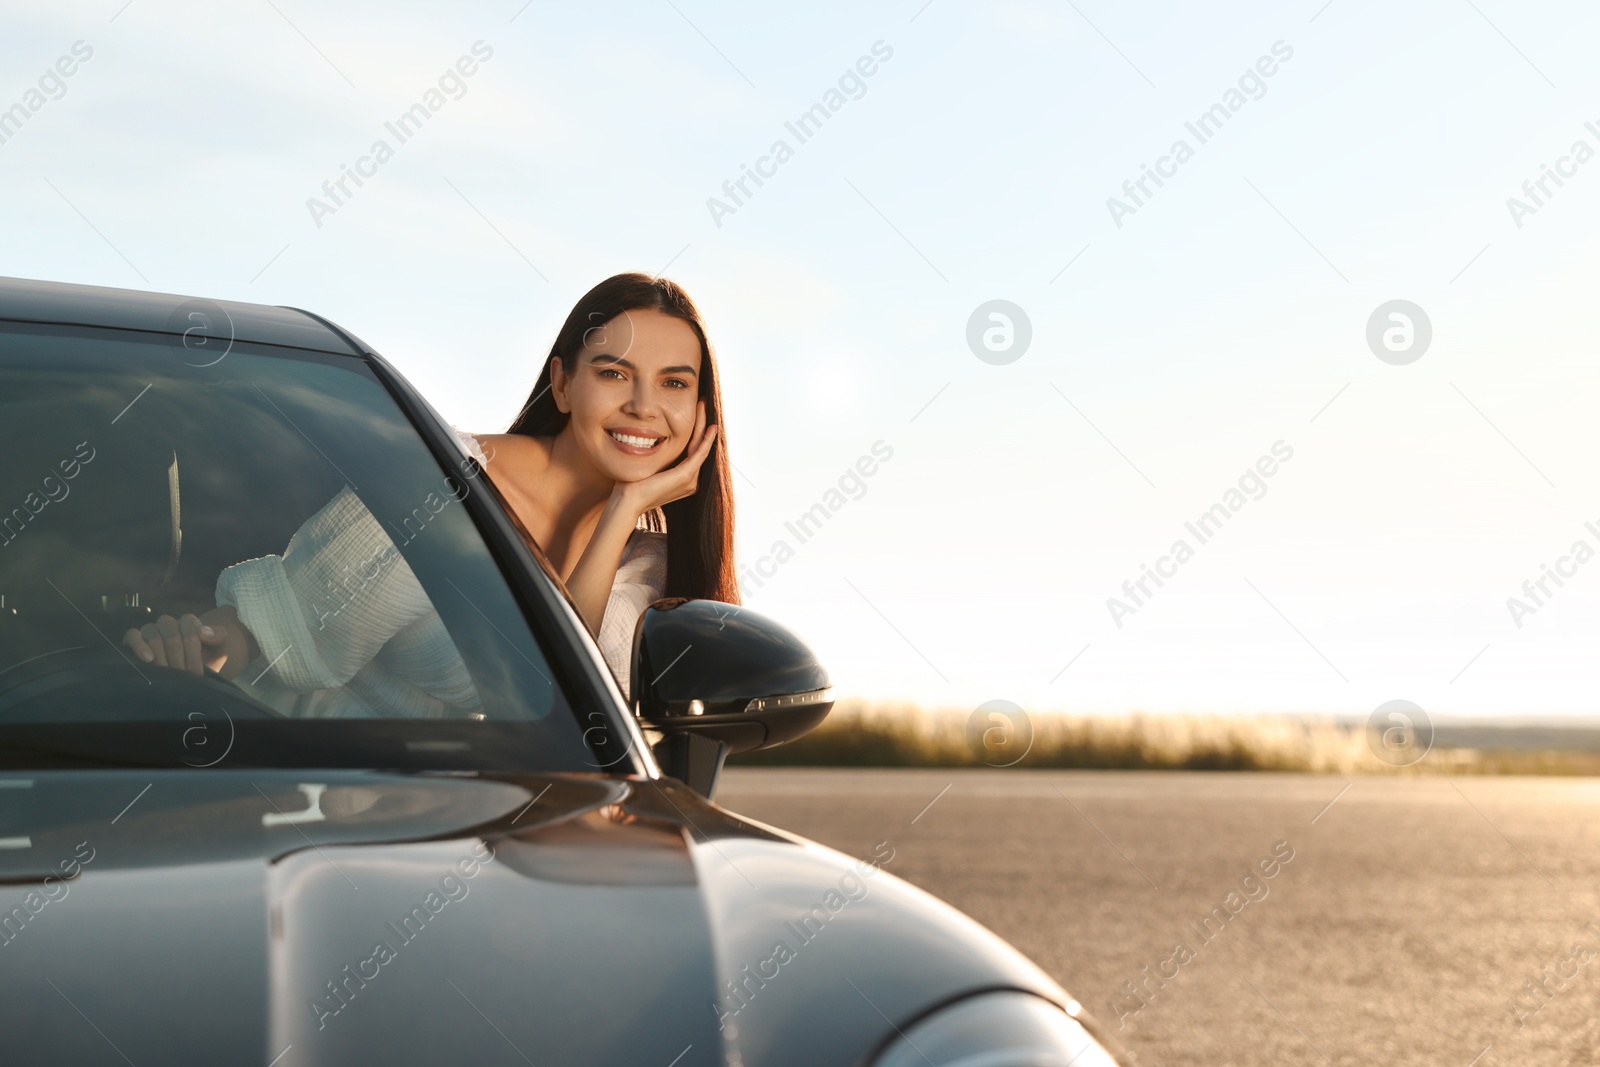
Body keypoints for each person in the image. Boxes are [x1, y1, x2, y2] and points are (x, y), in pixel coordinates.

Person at [122, 273, 737, 705]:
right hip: (312, 803)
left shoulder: (645, 568)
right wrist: (178, 656)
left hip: (500, 830)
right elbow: (272, 631)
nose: (643, 406)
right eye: (613, 373)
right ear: (563, 384)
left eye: (675, 384)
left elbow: (573, 712)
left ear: (702, 409)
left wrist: (624, 509)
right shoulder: (441, 484)